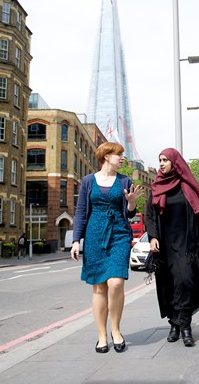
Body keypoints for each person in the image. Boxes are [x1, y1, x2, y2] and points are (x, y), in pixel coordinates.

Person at [145, 148, 199, 348]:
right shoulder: (156, 188)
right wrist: (152, 237)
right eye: (160, 160)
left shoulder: (186, 187)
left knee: (186, 281)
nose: (162, 163)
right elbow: (149, 216)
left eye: (165, 160)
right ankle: (174, 324)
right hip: (164, 247)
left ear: (175, 162)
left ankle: (185, 327)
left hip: (187, 245)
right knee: (168, 285)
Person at [71, 142, 144, 354]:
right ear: (106, 156)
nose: (122, 159)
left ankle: (116, 329)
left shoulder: (124, 180)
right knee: (99, 286)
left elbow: (130, 213)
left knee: (116, 283)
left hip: (119, 233)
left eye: (122, 155)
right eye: (118, 155)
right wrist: (76, 240)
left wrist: (130, 203)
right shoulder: (87, 181)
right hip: (94, 235)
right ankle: (101, 335)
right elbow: (81, 211)